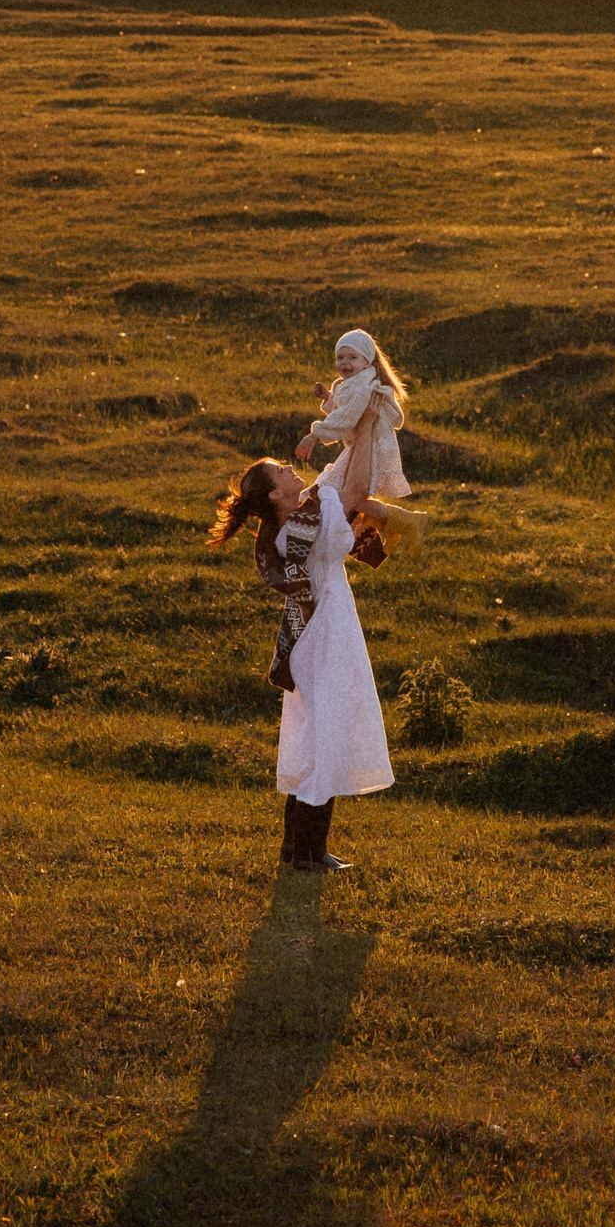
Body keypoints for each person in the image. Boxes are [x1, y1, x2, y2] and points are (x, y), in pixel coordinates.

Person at [207, 457, 395, 872]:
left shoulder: (296, 522)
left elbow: (336, 490)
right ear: (276, 494)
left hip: (320, 632)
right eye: (282, 472)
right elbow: (340, 488)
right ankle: (310, 853)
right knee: (325, 735)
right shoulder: (301, 525)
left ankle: (295, 847)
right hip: (323, 636)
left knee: (315, 736)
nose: (292, 470)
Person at [296, 328, 429, 557]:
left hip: (371, 447)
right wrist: (329, 397)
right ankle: (400, 524)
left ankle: (405, 523)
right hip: (363, 445)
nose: (344, 363)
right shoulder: (357, 381)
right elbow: (347, 410)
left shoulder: (361, 385)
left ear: (367, 360)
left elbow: (346, 418)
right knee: (349, 497)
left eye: (352, 357)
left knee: (343, 497)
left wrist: (314, 434)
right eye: (340, 357)